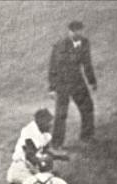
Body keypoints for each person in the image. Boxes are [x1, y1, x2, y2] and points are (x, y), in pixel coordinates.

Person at [47, 20, 97, 153]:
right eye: (75, 31)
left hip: (77, 82)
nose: (78, 33)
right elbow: (53, 67)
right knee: (61, 114)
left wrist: (92, 81)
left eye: (80, 30)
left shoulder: (85, 43)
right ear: (70, 32)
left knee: (87, 107)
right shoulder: (60, 45)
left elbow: (87, 63)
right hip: (62, 83)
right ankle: (56, 145)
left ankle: (87, 137)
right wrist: (52, 88)